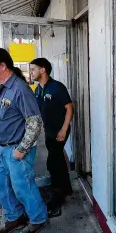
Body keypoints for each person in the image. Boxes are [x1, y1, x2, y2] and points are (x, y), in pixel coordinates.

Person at [0, 48, 49, 233]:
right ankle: (16, 217)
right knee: (2, 186)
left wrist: (22, 149)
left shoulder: (20, 89)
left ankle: (38, 218)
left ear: (2, 66)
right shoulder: (2, 86)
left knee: (23, 187)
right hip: (2, 148)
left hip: (16, 149)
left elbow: (35, 123)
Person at [29, 58, 74, 216]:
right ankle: (67, 189)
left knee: (53, 162)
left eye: (33, 69)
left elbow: (69, 109)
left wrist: (64, 129)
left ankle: (57, 196)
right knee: (58, 160)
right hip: (49, 131)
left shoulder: (57, 87)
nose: (31, 72)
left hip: (60, 131)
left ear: (43, 70)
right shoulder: (37, 89)